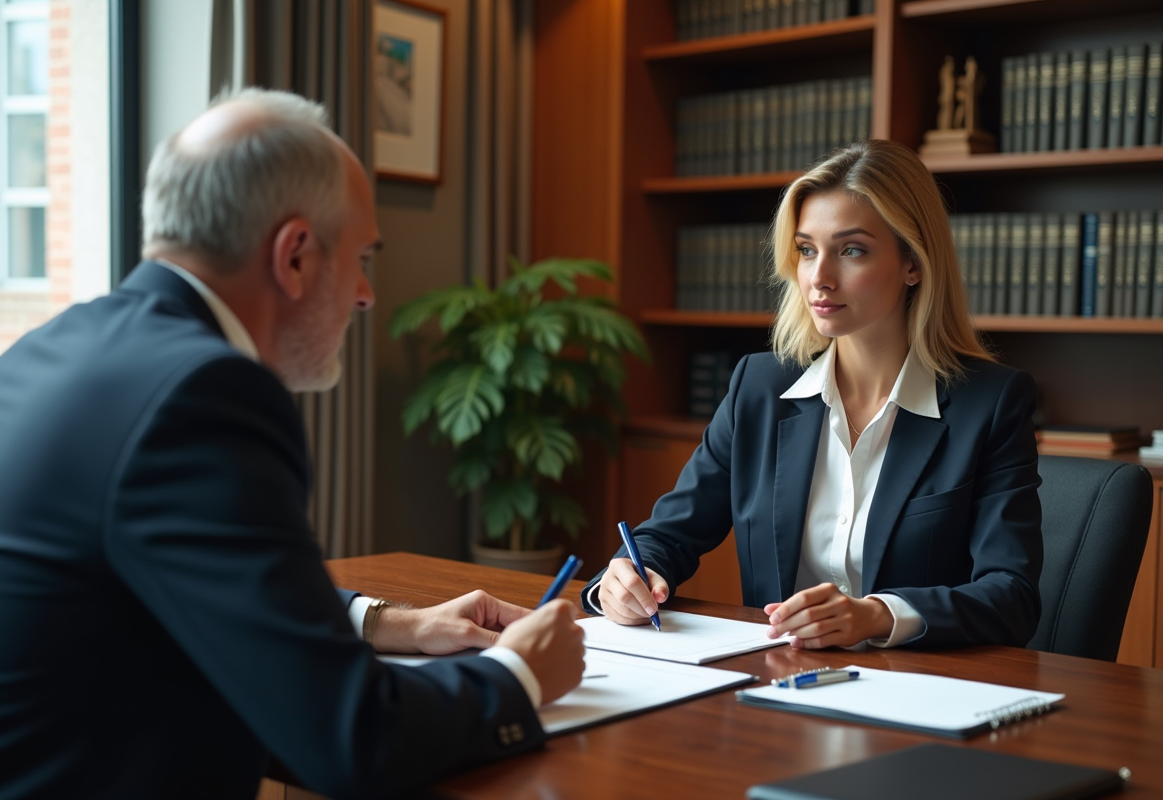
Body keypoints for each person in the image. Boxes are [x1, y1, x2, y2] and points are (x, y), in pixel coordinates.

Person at [0, 88, 585, 799]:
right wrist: (518, 675)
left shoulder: (49, 348)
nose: (367, 294)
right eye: (363, 257)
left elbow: (175, 579)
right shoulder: (204, 393)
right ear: (296, 256)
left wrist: (384, 622)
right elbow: (352, 739)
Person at [583, 139, 1042, 651]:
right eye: (806, 250)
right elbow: (667, 537)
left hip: (918, 690)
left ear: (913, 263)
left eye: (851, 250)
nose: (818, 278)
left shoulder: (991, 405)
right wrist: (625, 578)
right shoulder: (758, 388)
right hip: (778, 684)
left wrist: (876, 616)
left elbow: (1011, 596)